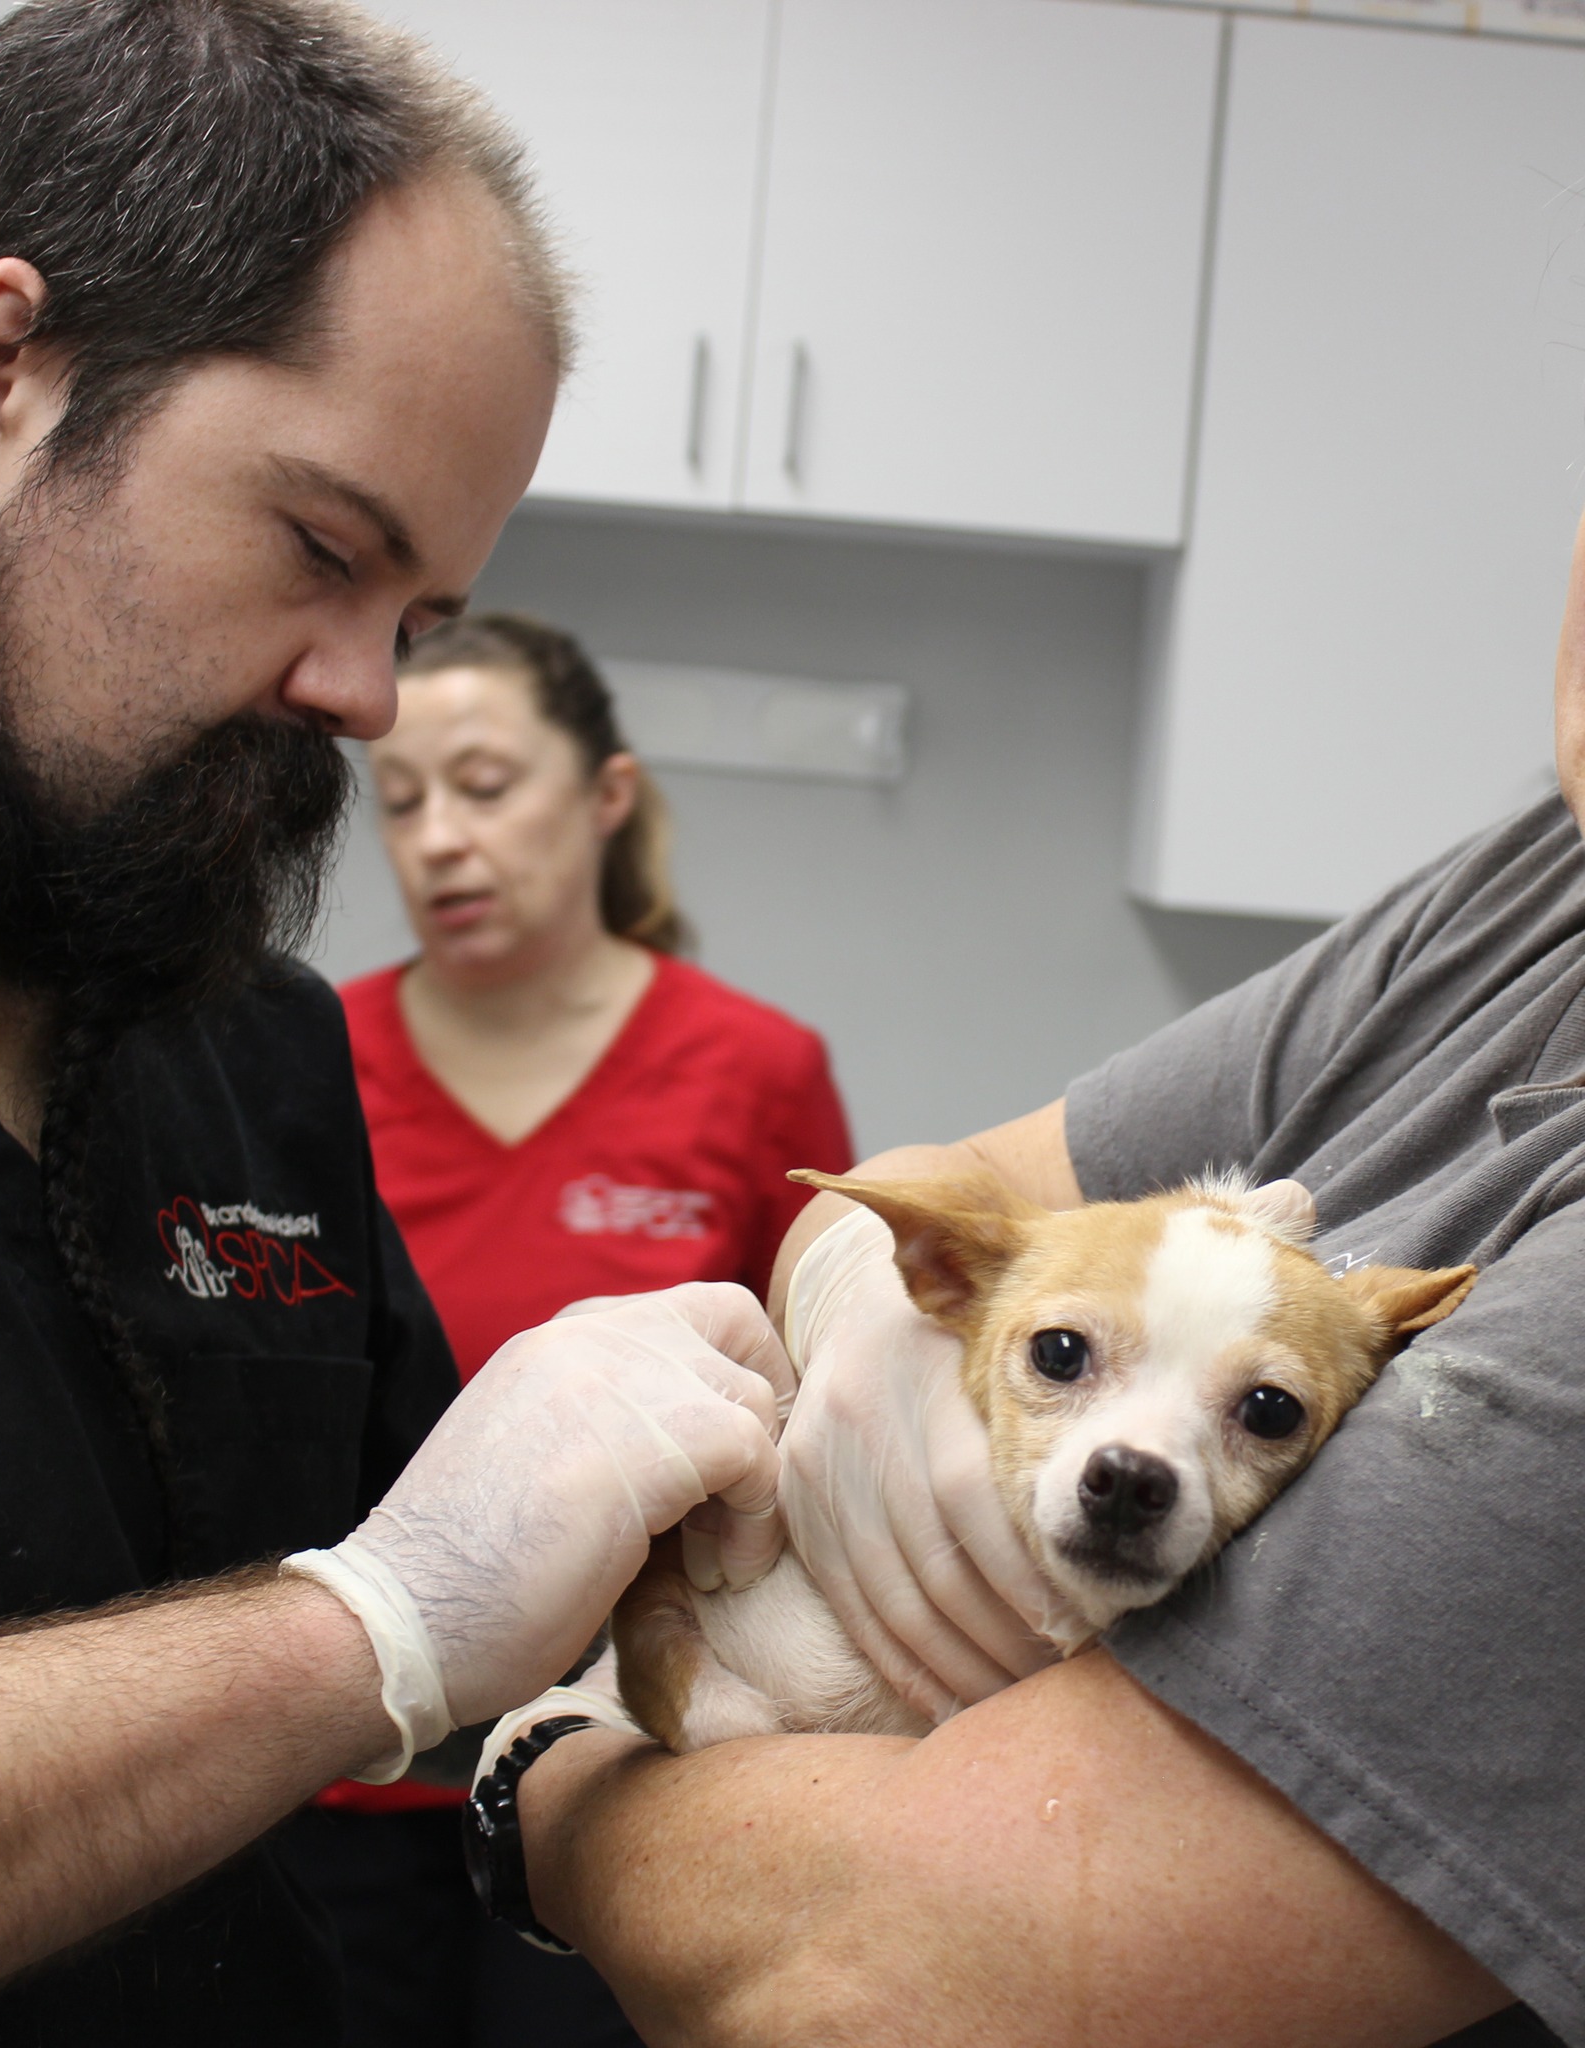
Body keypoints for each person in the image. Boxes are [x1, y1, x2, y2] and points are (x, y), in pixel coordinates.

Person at [0, 6, 798, 2043]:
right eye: (321, 548)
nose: (369, 698)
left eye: (416, 621)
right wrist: (348, 1636)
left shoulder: (236, 1044)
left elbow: (506, 1663)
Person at [477, 607, 1585, 2038]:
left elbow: (874, 1982)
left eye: (1264, 1409)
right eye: (1065, 1358)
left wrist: (540, 1778)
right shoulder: (1537, 887)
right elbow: (957, 1187)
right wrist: (860, 1276)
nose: (1133, 1454)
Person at [277, 613, 853, 2046]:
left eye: (483, 785)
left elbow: (816, 1418)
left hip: (619, 1757)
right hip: (339, 1761)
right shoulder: (297, 1060)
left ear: (605, 797)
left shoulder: (754, 1072)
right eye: (400, 800)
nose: (438, 840)